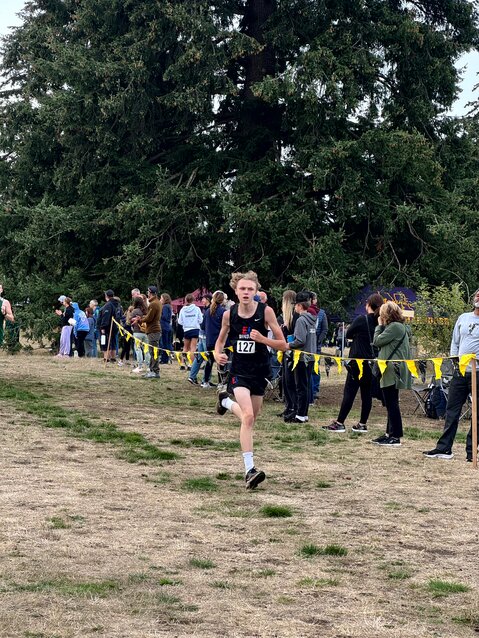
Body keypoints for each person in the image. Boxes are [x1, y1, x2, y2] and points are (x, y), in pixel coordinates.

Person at [214, 271, 288, 489]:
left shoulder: (266, 312)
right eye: (242, 289)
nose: (246, 292)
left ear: (256, 292)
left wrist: (263, 339)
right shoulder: (230, 314)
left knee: (252, 417)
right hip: (239, 372)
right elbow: (219, 342)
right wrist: (218, 355)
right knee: (247, 417)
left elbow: (283, 345)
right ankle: (249, 470)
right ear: (235, 291)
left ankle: (225, 402)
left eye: (250, 289)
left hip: (259, 371)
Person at [423, 288, 479, 461]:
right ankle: (444, 448)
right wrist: (455, 360)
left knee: (478, 414)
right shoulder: (463, 318)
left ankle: (472, 452)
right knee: (452, 410)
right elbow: (455, 342)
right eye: (478, 294)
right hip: (461, 372)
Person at [322, 293, 384, 433]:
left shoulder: (362, 319)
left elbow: (348, 334)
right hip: (371, 362)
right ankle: (362, 424)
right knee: (366, 395)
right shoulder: (380, 322)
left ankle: (340, 422)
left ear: (368, 304)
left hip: (357, 362)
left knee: (349, 392)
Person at [371, 301, 412, 447]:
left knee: (392, 403)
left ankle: (395, 436)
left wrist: (379, 325)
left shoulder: (394, 327)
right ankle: (389, 432)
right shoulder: (401, 327)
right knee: (390, 402)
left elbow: (377, 341)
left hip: (391, 370)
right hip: (393, 368)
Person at [284, 291, 317, 423]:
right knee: (306, 385)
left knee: (300, 387)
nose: (294, 308)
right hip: (311, 356)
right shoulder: (312, 319)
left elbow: (300, 340)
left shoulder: (301, 320)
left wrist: (288, 344)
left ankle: (300, 415)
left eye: (295, 305)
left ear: (300, 306)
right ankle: (303, 413)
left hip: (302, 357)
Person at [202, 291, 226, 388]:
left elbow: (203, 326)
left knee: (209, 361)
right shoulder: (223, 312)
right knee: (221, 362)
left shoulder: (207, 311)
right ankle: (221, 382)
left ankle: (206, 381)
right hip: (219, 341)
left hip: (209, 341)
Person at [188, 293, 212, 385]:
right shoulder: (208, 309)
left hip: (202, 335)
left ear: (208, 300)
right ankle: (205, 380)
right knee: (206, 357)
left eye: (204, 299)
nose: (202, 300)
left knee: (200, 357)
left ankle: (192, 376)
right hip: (204, 336)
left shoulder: (207, 309)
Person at [140, 285, 162, 378]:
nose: (147, 294)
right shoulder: (156, 302)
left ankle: (154, 371)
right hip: (154, 330)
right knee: (153, 351)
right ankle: (154, 371)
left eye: (148, 292)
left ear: (150, 293)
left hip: (153, 330)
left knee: (153, 351)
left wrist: (140, 320)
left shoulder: (153, 304)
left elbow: (149, 318)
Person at [179, 293, 203, 370]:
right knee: (193, 348)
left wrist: (186, 324)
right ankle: (190, 364)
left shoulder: (183, 309)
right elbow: (201, 320)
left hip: (186, 330)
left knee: (185, 347)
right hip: (195, 329)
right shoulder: (197, 309)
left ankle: (182, 364)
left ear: (186, 300)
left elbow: (180, 321)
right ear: (193, 300)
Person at [99, 289, 121, 363]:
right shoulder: (117, 304)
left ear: (106, 296)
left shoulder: (108, 305)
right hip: (115, 326)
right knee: (113, 341)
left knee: (105, 341)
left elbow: (106, 316)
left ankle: (106, 358)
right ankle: (113, 357)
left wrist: (102, 327)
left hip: (108, 327)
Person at [130, 296, 150, 374]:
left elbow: (130, 320)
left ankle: (140, 366)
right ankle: (148, 366)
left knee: (138, 349)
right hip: (146, 332)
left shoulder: (135, 311)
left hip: (137, 332)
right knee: (147, 350)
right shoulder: (147, 310)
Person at [160, 293, 173, 364]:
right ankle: (168, 357)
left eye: (161, 298)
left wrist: (159, 315)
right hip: (168, 326)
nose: (160, 300)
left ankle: (164, 359)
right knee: (168, 343)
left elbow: (164, 316)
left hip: (164, 326)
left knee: (164, 343)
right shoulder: (169, 306)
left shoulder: (165, 306)